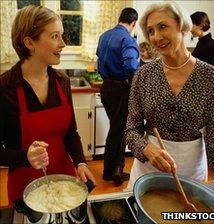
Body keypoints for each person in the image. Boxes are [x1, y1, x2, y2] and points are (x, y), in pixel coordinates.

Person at [125, 1, 214, 198]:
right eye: (150, 31)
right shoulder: (143, 76)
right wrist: (147, 148)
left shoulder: (213, 79)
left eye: (162, 27)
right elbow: (131, 130)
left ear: (182, 26)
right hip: (147, 170)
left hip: (191, 171)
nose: (156, 37)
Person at [0, 5, 96, 205]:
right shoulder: (4, 88)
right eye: (54, 36)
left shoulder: (62, 81)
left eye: (62, 36)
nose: (62, 44)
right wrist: (25, 157)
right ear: (29, 42)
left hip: (65, 181)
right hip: (25, 188)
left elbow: (71, 132)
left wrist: (80, 162)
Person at [96, 7, 139, 186]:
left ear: (120, 18)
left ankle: (113, 170)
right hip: (121, 89)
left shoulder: (104, 36)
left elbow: (99, 60)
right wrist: (133, 83)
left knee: (117, 129)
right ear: (133, 23)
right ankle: (113, 171)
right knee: (118, 131)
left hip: (106, 87)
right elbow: (130, 66)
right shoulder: (127, 39)